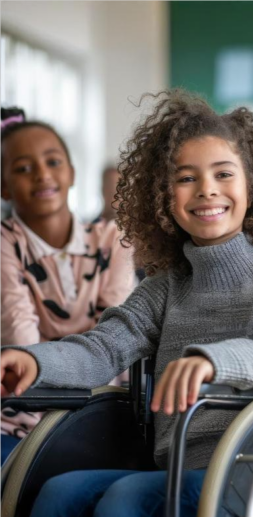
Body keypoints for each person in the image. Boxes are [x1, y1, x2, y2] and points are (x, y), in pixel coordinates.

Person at [0, 90, 253, 517]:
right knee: (59, 493)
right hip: (175, 467)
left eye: (222, 174)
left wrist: (215, 361)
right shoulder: (164, 286)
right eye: (186, 178)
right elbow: (102, 349)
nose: (206, 190)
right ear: (164, 198)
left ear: (251, 185)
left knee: (127, 499)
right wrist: (33, 363)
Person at [0, 108, 135, 463]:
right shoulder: (5, 243)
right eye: (23, 168)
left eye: (53, 161)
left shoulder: (112, 241)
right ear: (3, 186)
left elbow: (116, 341)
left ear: (72, 173)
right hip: (18, 419)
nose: (42, 175)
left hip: (96, 414)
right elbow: (21, 342)